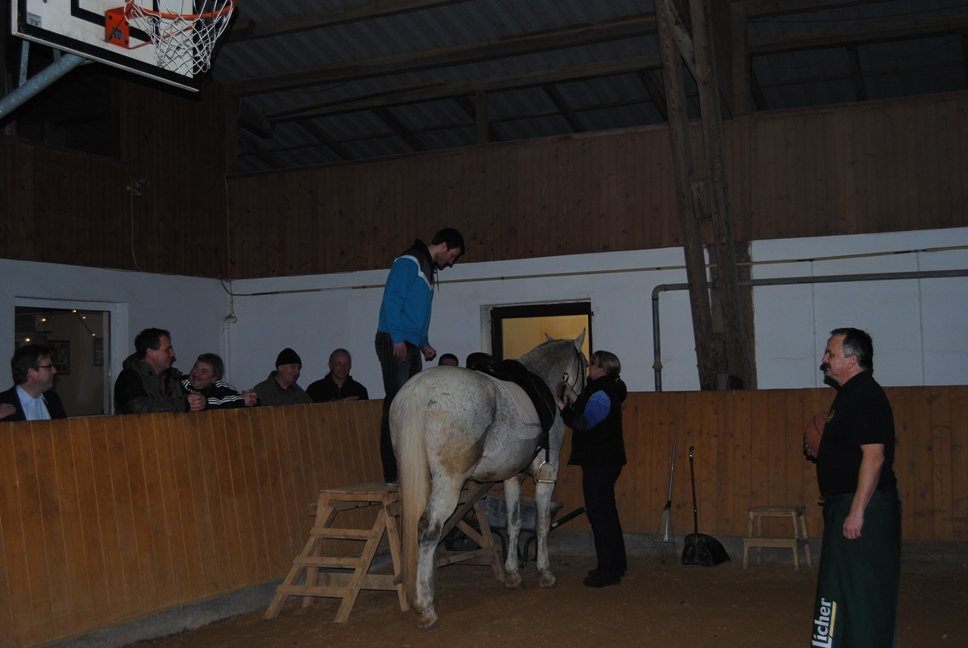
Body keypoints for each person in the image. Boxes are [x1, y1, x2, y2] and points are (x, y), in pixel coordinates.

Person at [808, 328, 900, 647]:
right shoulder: (848, 395)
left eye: (831, 353)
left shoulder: (866, 397)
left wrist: (857, 512)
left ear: (851, 360)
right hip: (845, 505)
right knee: (844, 587)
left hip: (865, 510)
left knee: (865, 591)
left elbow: (874, 458)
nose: (824, 359)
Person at [375, 227, 465, 483]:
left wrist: (424, 343)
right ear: (444, 246)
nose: (451, 262)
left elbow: (419, 313)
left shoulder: (427, 269)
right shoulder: (410, 261)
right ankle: (392, 474)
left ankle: (407, 468)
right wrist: (397, 337)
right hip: (396, 340)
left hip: (411, 343)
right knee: (396, 406)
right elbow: (393, 299)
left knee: (412, 407)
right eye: (452, 256)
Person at [554, 350, 628, 588]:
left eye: (592, 364)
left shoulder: (602, 393)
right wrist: (572, 396)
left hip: (600, 462)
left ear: (602, 369)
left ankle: (606, 571)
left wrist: (559, 404)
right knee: (607, 514)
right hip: (606, 461)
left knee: (598, 515)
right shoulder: (605, 389)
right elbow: (589, 410)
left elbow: (584, 423)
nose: (589, 368)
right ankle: (616, 566)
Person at [115, 328, 205, 414]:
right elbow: (138, 407)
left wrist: (196, 401)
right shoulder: (129, 377)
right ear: (151, 353)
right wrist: (184, 404)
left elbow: (175, 403)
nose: (172, 354)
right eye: (167, 350)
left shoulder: (171, 378)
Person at [0, 344, 68, 421]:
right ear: (31, 372)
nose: (54, 371)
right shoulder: (3, 401)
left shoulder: (53, 399)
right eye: (49, 367)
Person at [181, 353, 257, 410]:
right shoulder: (178, 384)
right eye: (195, 368)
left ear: (214, 379)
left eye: (204, 371)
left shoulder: (224, 388)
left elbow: (242, 402)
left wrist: (251, 399)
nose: (196, 374)